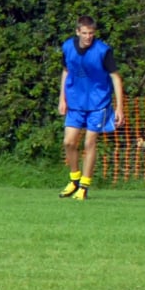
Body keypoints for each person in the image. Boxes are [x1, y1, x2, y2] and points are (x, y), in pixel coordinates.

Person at [56, 16, 123, 200]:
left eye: (91, 33)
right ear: (78, 32)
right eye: (84, 33)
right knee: (69, 142)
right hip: (75, 103)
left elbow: (116, 78)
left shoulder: (103, 51)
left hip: (98, 104)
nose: (88, 37)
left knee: (89, 143)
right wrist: (62, 98)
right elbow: (66, 71)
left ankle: (84, 186)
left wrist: (119, 108)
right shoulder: (68, 47)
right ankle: (74, 179)